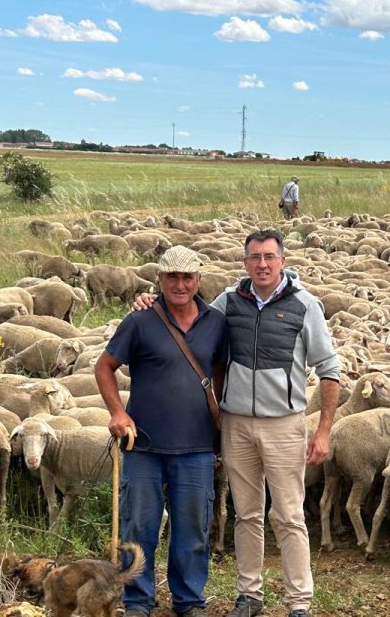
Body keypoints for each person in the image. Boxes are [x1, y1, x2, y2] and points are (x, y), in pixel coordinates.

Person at [134, 229, 340, 617]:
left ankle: (299, 602)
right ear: (245, 262)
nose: (262, 264)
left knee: (289, 515)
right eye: (255, 257)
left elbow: (329, 369)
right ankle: (249, 595)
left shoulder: (305, 305)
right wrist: (150, 301)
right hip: (237, 424)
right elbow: (187, 319)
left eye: (269, 257)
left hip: (284, 424)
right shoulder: (229, 301)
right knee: (246, 514)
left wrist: (324, 429)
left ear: (283, 261)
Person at [96, 245, 227, 617]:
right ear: (160, 279)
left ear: (199, 280)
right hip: (144, 445)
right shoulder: (139, 321)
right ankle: (137, 600)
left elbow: (219, 376)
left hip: (197, 445)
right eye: (172, 277)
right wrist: (118, 412)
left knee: (193, 529)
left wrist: (222, 432)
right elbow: (104, 367)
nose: (180, 284)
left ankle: (189, 601)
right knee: (139, 526)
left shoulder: (215, 323)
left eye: (187, 277)